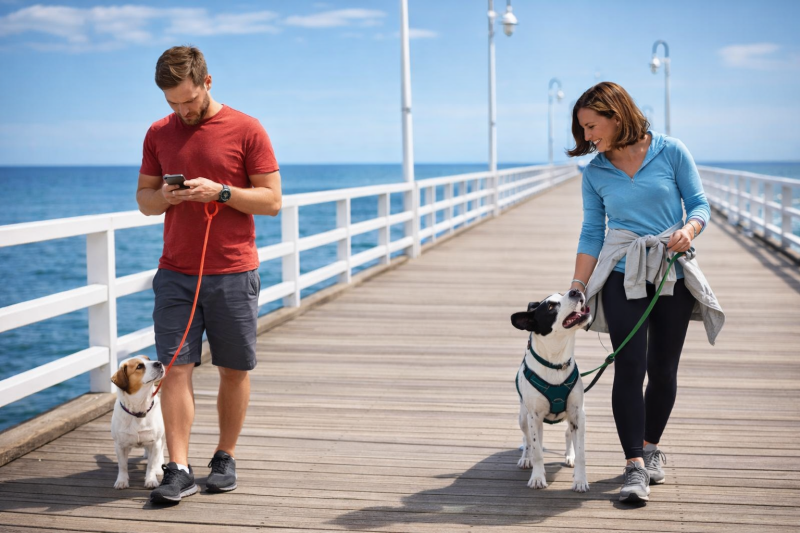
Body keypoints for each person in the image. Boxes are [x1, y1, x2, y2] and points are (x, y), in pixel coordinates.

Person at [136, 45, 282, 504]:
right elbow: (144, 200)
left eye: (189, 100)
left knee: (233, 370)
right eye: (172, 103)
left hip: (233, 272)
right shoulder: (158, 133)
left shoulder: (247, 128)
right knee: (175, 369)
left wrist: (221, 192)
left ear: (208, 82)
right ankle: (178, 467)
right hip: (176, 272)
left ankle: (225, 455)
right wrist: (167, 197)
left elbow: (272, 200)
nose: (182, 111)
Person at [567, 82, 724, 503]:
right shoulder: (595, 172)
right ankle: (634, 465)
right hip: (622, 271)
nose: (586, 137)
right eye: (581, 130)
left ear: (616, 116)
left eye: (591, 126)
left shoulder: (671, 151)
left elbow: (699, 204)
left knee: (663, 369)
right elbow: (590, 232)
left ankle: (653, 448)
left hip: (672, 269)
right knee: (629, 366)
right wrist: (578, 287)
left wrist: (688, 229)